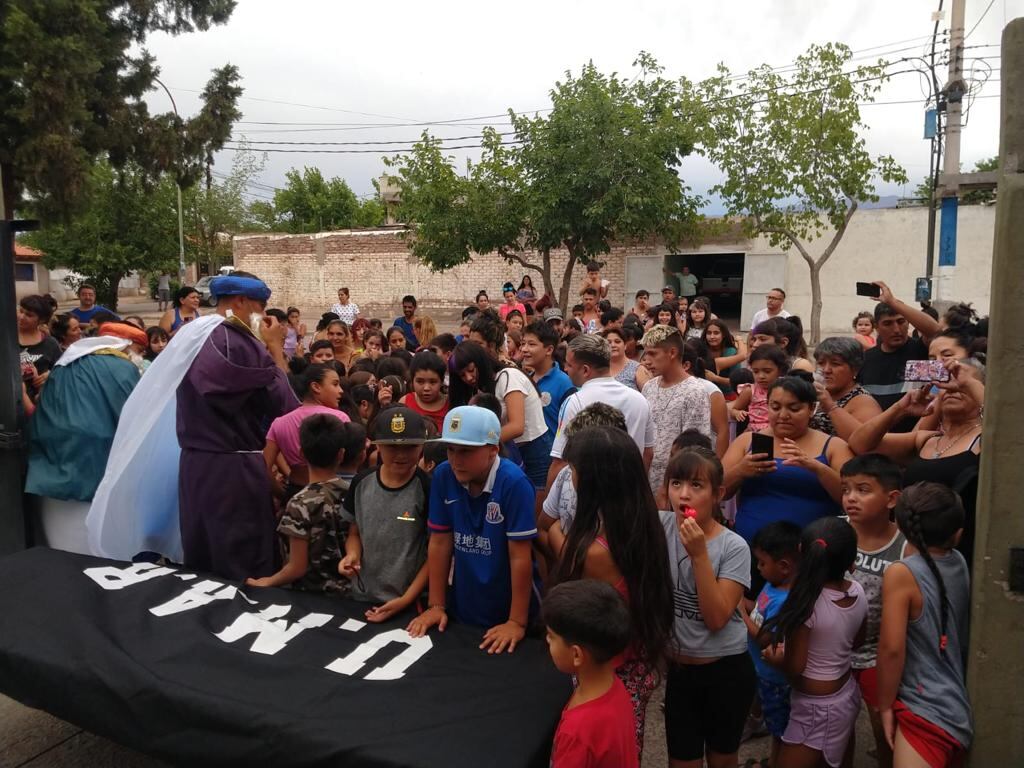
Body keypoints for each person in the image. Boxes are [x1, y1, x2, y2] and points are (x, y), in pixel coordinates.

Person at [548, 426, 674, 757]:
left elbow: (571, 588)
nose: (569, 475)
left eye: (573, 469)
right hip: (638, 660)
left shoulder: (596, 552)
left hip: (609, 671)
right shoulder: (639, 525)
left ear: (593, 481)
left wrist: (553, 534)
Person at [172, 273, 298, 578]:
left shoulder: (190, 335)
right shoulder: (240, 342)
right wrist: (275, 348)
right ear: (240, 301)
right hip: (235, 469)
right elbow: (287, 407)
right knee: (243, 562)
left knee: (203, 553)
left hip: (194, 466)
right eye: (261, 306)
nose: (266, 316)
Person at [407, 406, 540, 653]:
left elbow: (520, 556)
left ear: (492, 450)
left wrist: (516, 622)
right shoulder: (444, 475)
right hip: (464, 599)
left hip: (509, 602)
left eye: (466, 451)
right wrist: (436, 605)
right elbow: (439, 542)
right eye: (451, 450)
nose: (456, 460)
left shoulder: (514, 483)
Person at [661, 448, 755, 768]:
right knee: (681, 760)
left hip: (725, 671)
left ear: (719, 494)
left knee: (722, 758)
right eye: (676, 483)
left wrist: (700, 555)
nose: (683, 494)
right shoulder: (661, 527)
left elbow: (716, 618)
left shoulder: (733, 546)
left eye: (697, 486)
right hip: (680, 671)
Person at [848, 355, 984, 570]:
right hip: (908, 555)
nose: (953, 387)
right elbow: (860, 443)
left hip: (956, 555)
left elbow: (1008, 427)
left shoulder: (986, 439)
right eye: (947, 382)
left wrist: (969, 383)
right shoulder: (928, 439)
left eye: (961, 382)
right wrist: (899, 409)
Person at [877, 483, 972, 768]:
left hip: (925, 712)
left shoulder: (901, 573)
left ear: (903, 529)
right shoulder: (959, 561)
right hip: (956, 703)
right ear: (957, 534)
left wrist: (884, 706)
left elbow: (891, 649)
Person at [760, 517, 868, 768]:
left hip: (815, 710)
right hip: (846, 696)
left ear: (801, 554)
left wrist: (776, 658)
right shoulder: (858, 592)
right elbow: (858, 642)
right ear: (853, 562)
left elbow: (795, 666)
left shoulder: (806, 605)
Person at [26, 323, 141, 552]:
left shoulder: (62, 366)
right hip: (95, 469)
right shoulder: (122, 368)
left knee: (63, 553)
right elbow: (136, 422)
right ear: (128, 348)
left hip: (50, 468)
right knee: (99, 555)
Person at [723, 374, 853, 564]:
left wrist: (817, 468)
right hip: (749, 550)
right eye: (775, 407)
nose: (783, 415)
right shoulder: (747, 441)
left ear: (811, 409)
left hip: (810, 554)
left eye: (794, 408)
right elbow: (719, 491)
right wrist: (741, 471)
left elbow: (849, 497)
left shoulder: (834, 446)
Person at [841, 453, 906, 768]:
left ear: (892, 499)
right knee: (836, 736)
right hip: (832, 654)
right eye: (846, 489)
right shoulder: (834, 533)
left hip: (877, 658)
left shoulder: (906, 548)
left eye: (863, 490)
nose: (851, 498)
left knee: (887, 735)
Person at [338, 406, 431, 622]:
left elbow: (435, 551)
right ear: (376, 446)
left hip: (409, 601)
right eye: (390, 447)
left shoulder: (427, 487)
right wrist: (352, 555)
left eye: (410, 447)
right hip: (361, 596)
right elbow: (354, 532)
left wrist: (407, 599)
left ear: (422, 447)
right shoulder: (362, 482)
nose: (401, 455)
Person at [245, 414, 350, 593]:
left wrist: (267, 582)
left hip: (313, 595)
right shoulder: (353, 491)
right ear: (341, 454)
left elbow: (296, 567)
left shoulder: (300, 503)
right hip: (352, 592)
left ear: (301, 453)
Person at [544, 580, 640, 768]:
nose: (547, 640)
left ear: (576, 654)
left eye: (551, 636)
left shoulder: (577, 734)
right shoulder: (616, 688)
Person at [545, 334, 655, 497]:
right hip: (630, 496)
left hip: (587, 499)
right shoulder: (640, 399)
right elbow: (648, 454)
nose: (565, 369)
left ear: (585, 370)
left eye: (569, 364)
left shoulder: (575, 401)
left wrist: (548, 506)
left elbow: (560, 461)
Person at [452, 326, 552, 489]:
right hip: (511, 451)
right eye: (462, 375)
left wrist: (479, 443)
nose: (468, 378)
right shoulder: (482, 386)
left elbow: (516, 426)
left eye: (471, 370)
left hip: (534, 449)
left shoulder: (508, 377)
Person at [741, 521, 801, 768]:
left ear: (784, 566)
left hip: (774, 680)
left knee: (780, 732)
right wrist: (745, 603)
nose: (758, 568)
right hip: (761, 670)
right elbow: (760, 612)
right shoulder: (774, 584)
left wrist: (740, 615)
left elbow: (766, 637)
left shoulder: (785, 600)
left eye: (762, 563)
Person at [858, 281, 941, 429]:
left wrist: (892, 302)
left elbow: (935, 331)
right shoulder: (865, 360)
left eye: (901, 321)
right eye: (888, 324)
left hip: (918, 439)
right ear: (876, 327)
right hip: (879, 441)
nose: (896, 329)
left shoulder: (921, 350)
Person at [640, 325, 712, 493]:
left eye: (653, 354)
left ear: (672, 353)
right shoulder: (649, 387)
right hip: (646, 481)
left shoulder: (694, 391)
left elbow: (692, 449)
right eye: (645, 354)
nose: (646, 360)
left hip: (676, 486)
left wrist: (666, 489)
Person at [265, 363, 350, 501]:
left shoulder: (279, 423)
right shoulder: (340, 418)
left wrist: (282, 496)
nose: (340, 390)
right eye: (335, 384)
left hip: (295, 490)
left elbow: (264, 468)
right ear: (316, 387)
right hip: (333, 492)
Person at [809, 337, 882, 440]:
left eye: (835, 364)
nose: (826, 370)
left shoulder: (863, 402)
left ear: (855, 369)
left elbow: (865, 442)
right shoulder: (814, 394)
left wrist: (830, 407)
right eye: (821, 363)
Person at [520, 320, 574, 438]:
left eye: (531, 344)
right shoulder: (524, 381)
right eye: (523, 343)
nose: (524, 349)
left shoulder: (564, 383)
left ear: (549, 350)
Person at [730, 344, 788, 433]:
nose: (761, 376)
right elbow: (734, 410)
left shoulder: (787, 388)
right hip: (756, 434)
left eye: (767, 371)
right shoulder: (750, 391)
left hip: (781, 433)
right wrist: (737, 413)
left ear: (780, 369)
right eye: (756, 371)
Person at [18, 295, 61, 400]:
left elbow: (62, 370)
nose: (21, 316)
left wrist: (50, 375)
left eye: (29, 315)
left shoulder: (50, 344)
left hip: (39, 403)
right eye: (20, 311)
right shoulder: (6, 338)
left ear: (41, 320)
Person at [400, 350, 449, 432]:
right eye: (420, 381)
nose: (426, 388)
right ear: (412, 380)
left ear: (441, 381)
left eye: (433, 382)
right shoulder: (405, 402)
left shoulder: (450, 405)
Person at [701, 320, 745, 399]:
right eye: (709, 333)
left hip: (726, 395)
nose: (712, 336)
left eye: (716, 333)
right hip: (704, 394)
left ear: (723, 335)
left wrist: (716, 378)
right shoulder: (701, 350)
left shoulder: (731, 352)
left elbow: (738, 381)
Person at [604, 326, 650, 392]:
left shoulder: (637, 369)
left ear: (625, 345)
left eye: (617, 342)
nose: (613, 345)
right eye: (609, 342)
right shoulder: (599, 369)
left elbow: (649, 395)